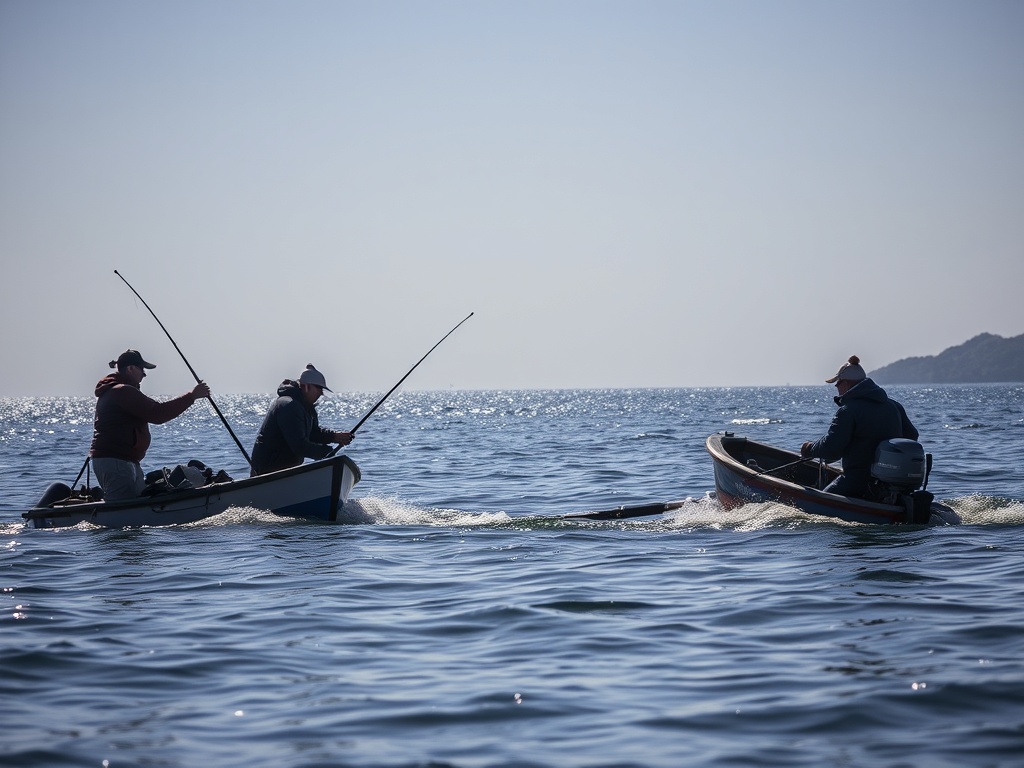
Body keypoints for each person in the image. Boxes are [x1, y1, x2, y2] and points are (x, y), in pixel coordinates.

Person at [89, 349, 212, 501]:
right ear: (131, 368)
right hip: (115, 461)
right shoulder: (122, 391)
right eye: (142, 369)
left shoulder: (118, 391)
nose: (144, 374)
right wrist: (192, 396)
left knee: (138, 503)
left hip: (125, 461)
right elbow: (158, 414)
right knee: (125, 509)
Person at [800, 355, 918, 499]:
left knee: (817, 503)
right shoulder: (894, 406)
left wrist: (809, 448)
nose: (836, 387)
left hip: (858, 481)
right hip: (891, 485)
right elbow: (912, 436)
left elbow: (831, 448)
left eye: (837, 383)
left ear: (846, 383)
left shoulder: (848, 411)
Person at [250, 364, 354, 476]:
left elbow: (313, 434)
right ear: (307, 386)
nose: (321, 393)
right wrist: (328, 452)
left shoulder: (306, 408)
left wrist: (335, 437)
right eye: (319, 388)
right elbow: (300, 446)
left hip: (284, 473)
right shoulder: (288, 405)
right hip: (267, 473)